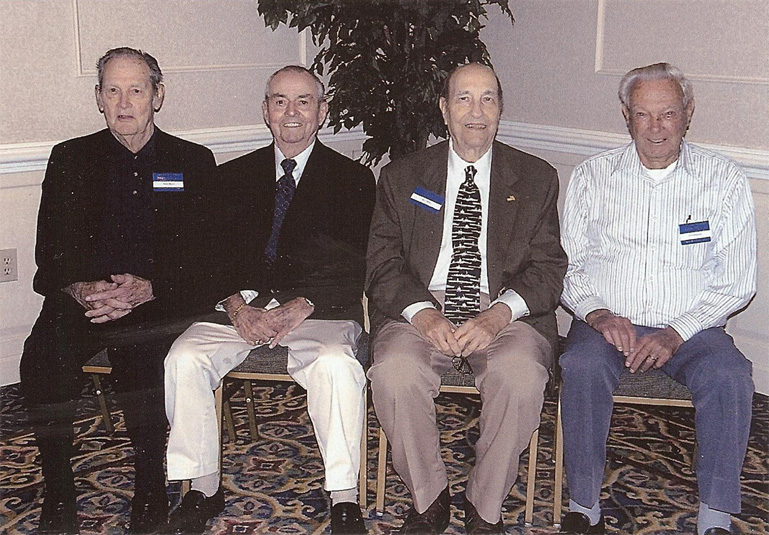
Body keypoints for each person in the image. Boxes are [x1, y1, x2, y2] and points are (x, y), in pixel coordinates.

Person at [162, 65, 376, 535]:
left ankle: (343, 497)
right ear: (265, 111)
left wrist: (301, 305)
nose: (292, 112)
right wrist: (237, 307)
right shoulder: (230, 176)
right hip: (242, 309)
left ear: (322, 112)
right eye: (280, 101)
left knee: (337, 366)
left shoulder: (353, 180)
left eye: (304, 102)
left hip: (316, 309)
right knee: (184, 357)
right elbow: (207, 255)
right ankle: (203, 486)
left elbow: (357, 262)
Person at [19, 47, 218, 534]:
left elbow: (206, 259)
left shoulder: (192, 160)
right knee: (41, 356)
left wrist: (151, 288)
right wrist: (83, 287)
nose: (124, 102)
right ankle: (59, 489)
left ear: (158, 95)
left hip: (157, 300)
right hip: (85, 300)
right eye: (112, 90)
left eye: (136, 89)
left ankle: (150, 481)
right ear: (98, 99)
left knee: (143, 358)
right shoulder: (71, 158)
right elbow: (51, 250)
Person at [366, 63, 567, 535]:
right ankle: (429, 495)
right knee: (395, 373)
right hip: (421, 303)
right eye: (463, 98)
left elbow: (548, 268)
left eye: (488, 99)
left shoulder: (535, 178)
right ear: (443, 109)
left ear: (500, 108)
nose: (476, 111)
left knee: (519, 377)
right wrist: (423, 314)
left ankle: (485, 504)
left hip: (503, 306)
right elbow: (382, 263)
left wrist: (497, 315)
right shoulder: (403, 176)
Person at [558, 62, 757, 535]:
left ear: (688, 113)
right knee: (580, 366)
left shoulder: (723, 180)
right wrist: (599, 312)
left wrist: (676, 331)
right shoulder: (592, 176)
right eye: (643, 114)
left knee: (731, 375)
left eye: (667, 113)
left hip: (691, 327)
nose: (655, 127)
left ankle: (716, 512)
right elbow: (566, 265)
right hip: (605, 323)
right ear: (626, 115)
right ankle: (582, 503)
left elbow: (738, 279)